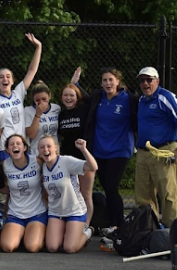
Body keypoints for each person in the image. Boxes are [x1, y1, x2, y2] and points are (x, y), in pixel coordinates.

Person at [83, 67, 138, 235]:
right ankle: (112, 223)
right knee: (107, 188)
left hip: (120, 150)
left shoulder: (129, 100)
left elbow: (138, 119)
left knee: (112, 187)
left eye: (111, 80)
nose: (108, 83)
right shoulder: (97, 99)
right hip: (99, 151)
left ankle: (120, 225)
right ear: (101, 83)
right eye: (105, 80)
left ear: (117, 81)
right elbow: (81, 96)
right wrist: (75, 82)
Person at [38, 135, 97, 253]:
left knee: (70, 248)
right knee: (52, 247)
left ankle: (88, 232)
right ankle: (68, 233)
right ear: (38, 151)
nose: (46, 149)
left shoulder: (66, 161)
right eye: (42, 147)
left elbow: (93, 167)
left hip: (74, 210)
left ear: (56, 148)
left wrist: (83, 149)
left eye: (49, 146)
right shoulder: (42, 166)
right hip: (56, 211)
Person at [135, 67, 177, 228]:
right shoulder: (141, 100)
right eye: (141, 80)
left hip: (164, 151)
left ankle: (171, 232)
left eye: (149, 80)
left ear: (157, 81)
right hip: (143, 153)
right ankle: (149, 230)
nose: (145, 83)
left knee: (168, 194)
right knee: (143, 195)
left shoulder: (165, 97)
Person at [0, 33, 42, 162]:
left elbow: (32, 70)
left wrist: (38, 47)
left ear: (13, 81)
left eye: (8, 76)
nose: (5, 79)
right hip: (4, 148)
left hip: (21, 145)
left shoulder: (18, 93)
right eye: (1, 77)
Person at [57, 77, 95, 230]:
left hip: (84, 158)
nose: (68, 98)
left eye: (72, 95)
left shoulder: (84, 109)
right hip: (67, 160)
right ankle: (72, 224)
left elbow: (92, 99)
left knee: (85, 194)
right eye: (65, 95)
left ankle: (86, 226)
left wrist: (76, 83)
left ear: (77, 97)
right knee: (71, 194)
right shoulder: (62, 115)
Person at [1, 134, 47, 253]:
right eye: (11, 144)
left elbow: (53, 167)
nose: (15, 146)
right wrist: (9, 191)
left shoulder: (37, 161)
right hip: (15, 213)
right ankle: (22, 234)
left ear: (25, 147)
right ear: (7, 150)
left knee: (32, 247)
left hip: (36, 212)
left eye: (18, 143)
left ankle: (35, 234)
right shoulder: (5, 165)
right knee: (8, 247)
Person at [25, 80, 61, 157]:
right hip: (36, 153)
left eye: (44, 99)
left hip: (54, 152)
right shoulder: (27, 111)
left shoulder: (56, 108)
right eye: (37, 100)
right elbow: (31, 135)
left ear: (49, 96)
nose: (41, 102)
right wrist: (38, 114)